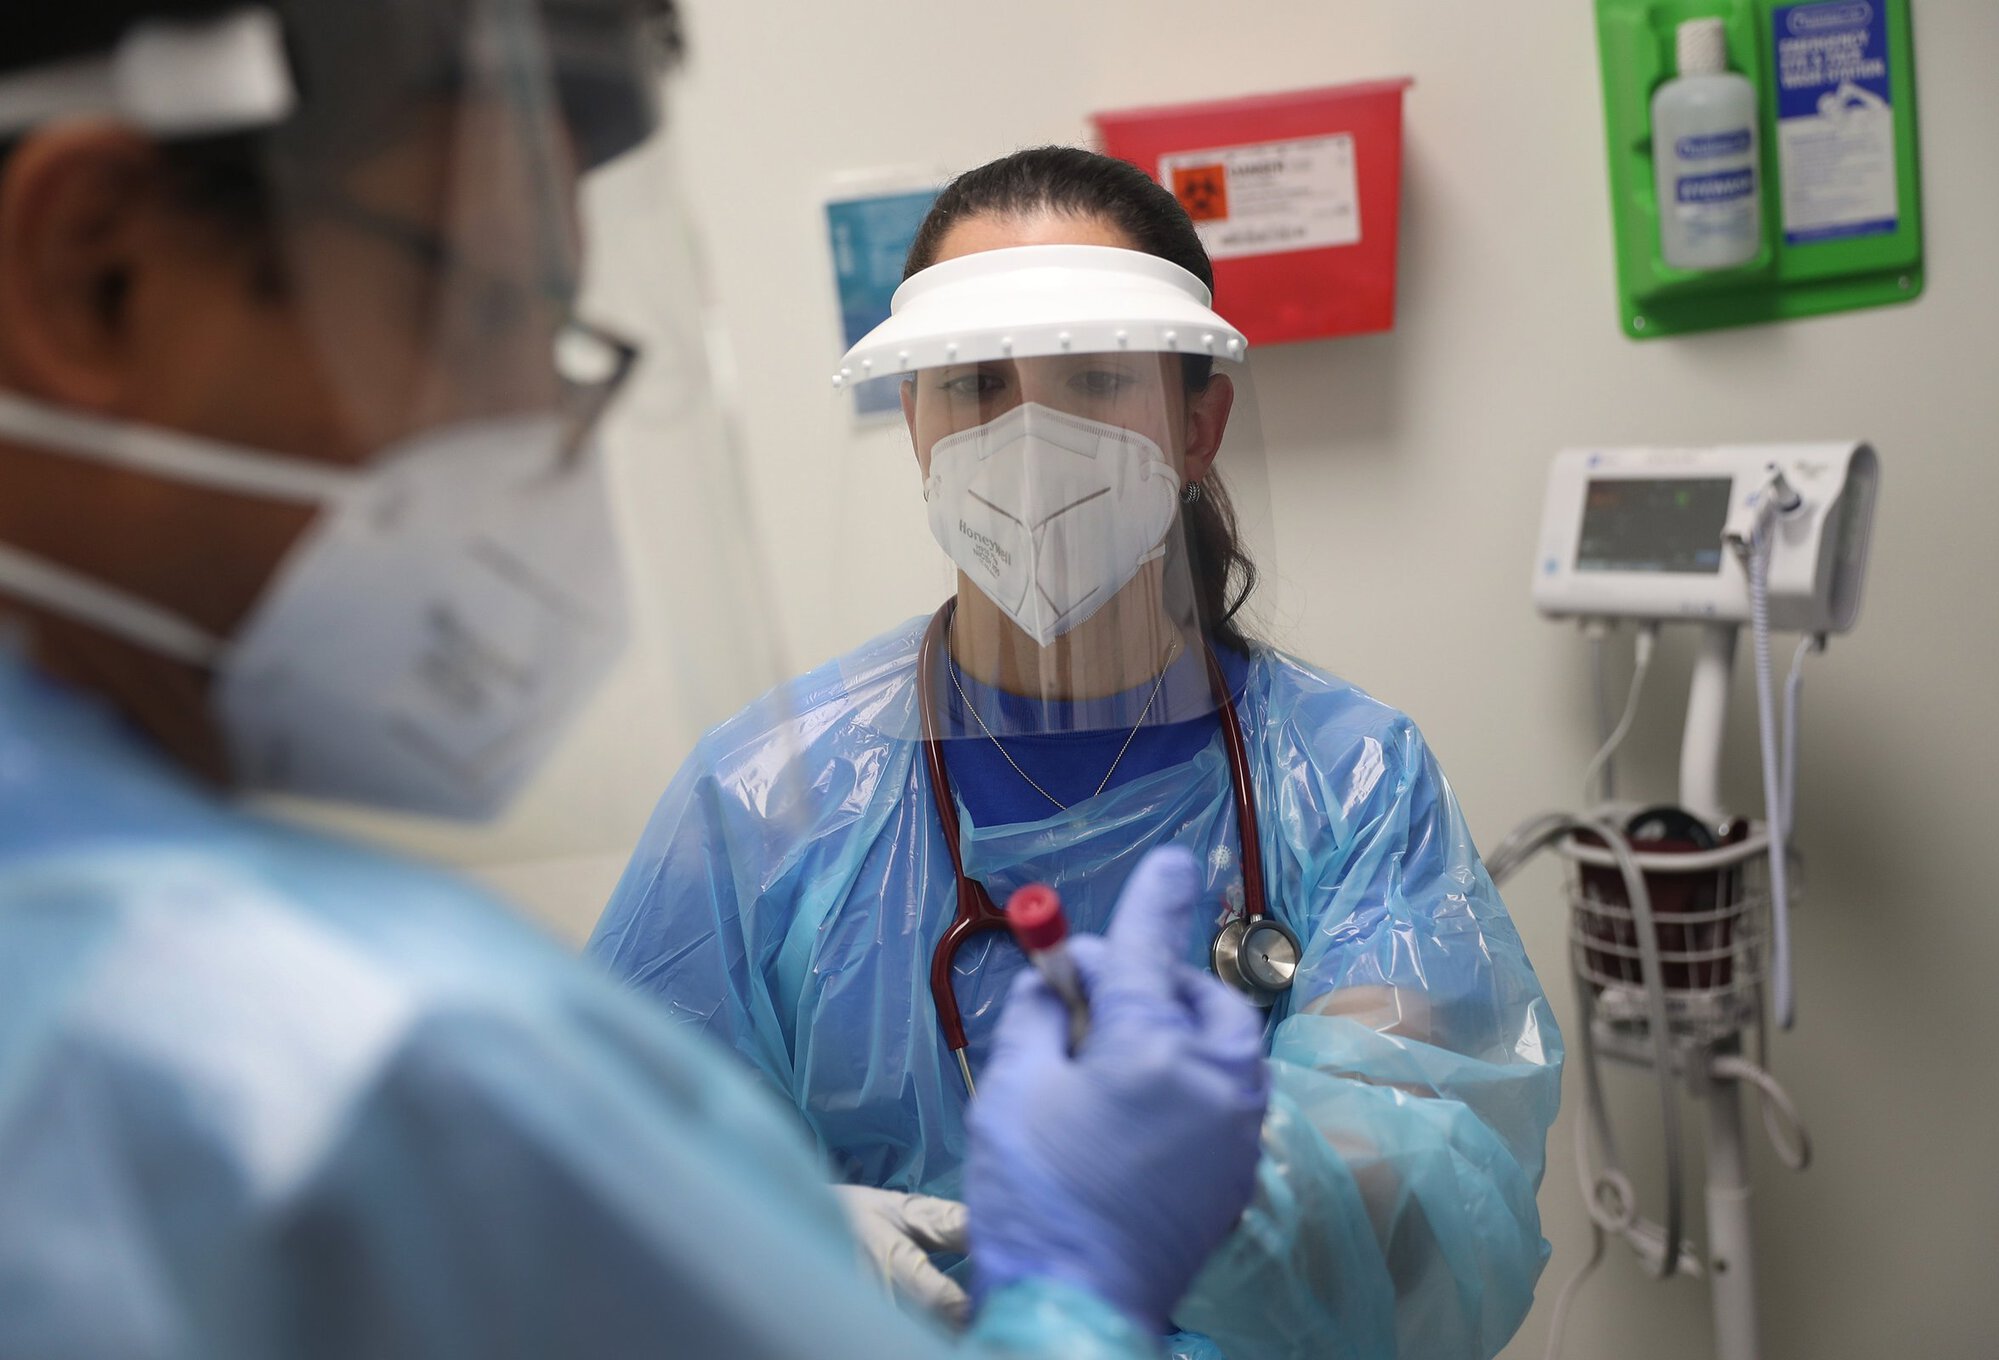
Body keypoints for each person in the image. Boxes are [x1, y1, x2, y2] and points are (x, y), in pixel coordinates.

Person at [0, 7, 1270, 1356]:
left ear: (1197, 422)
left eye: (1096, 380)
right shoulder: (345, 1067)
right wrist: (1079, 1285)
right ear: (97, 269)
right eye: (486, 309)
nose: (549, 425)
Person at [590, 146, 1566, 1360]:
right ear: (915, 423)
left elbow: (1432, 1195)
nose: (1028, 439)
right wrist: (777, 1233)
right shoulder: (765, 796)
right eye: (975, 383)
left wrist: (1189, 1196)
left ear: (1198, 422)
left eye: (1095, 376)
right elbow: (597, 1173)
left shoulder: (1353, 781)